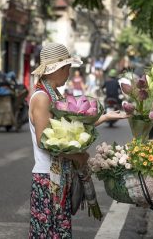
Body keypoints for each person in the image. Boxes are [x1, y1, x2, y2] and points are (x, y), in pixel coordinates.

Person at [28, 43, 129, 238]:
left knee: (59, 231)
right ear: (57, 69)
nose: (69, 73)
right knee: (48, 232)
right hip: (48, 179)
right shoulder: (42, 98)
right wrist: (78, 155)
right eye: (67, 68)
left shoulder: (54, 95)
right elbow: (44, 141)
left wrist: (106, 117)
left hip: (59, 178)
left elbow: (72, 129)